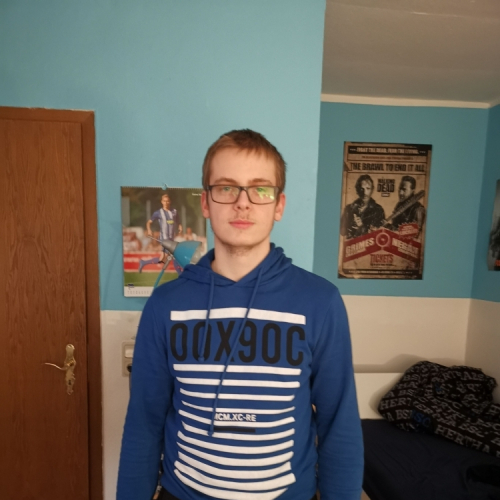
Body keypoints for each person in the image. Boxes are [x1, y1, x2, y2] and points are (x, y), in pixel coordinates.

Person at [117, 129, 364, 500]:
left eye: (260, 189)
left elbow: (339, 426)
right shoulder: (165, 305)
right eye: (227, 188)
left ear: (278, 205)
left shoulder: (320, 302)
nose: (242, 203)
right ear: (205, 202)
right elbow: (143, 425)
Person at [139, 193, 179, 272]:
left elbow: (178, 221)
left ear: (170, 201)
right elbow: (149, 222)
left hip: (171, 239)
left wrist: (179, 227)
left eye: (167, 201)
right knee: (173, 256)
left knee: (163, 259)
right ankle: (180, 273)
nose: (166, 203)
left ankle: (143, 262)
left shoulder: (174, 211)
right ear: (162, 202)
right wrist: (149, 230)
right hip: (164, 239)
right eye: (164, 201)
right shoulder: (158, 212)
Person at [340, 174, 385, 239]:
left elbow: (380, 235)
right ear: (357, 190)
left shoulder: (378, 210)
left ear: (372, 190)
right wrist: (350, 226)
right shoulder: (348, 209)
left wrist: (361, 227)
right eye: (362, 189)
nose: (365, 193)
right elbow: (342, 232)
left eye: (368, 188)